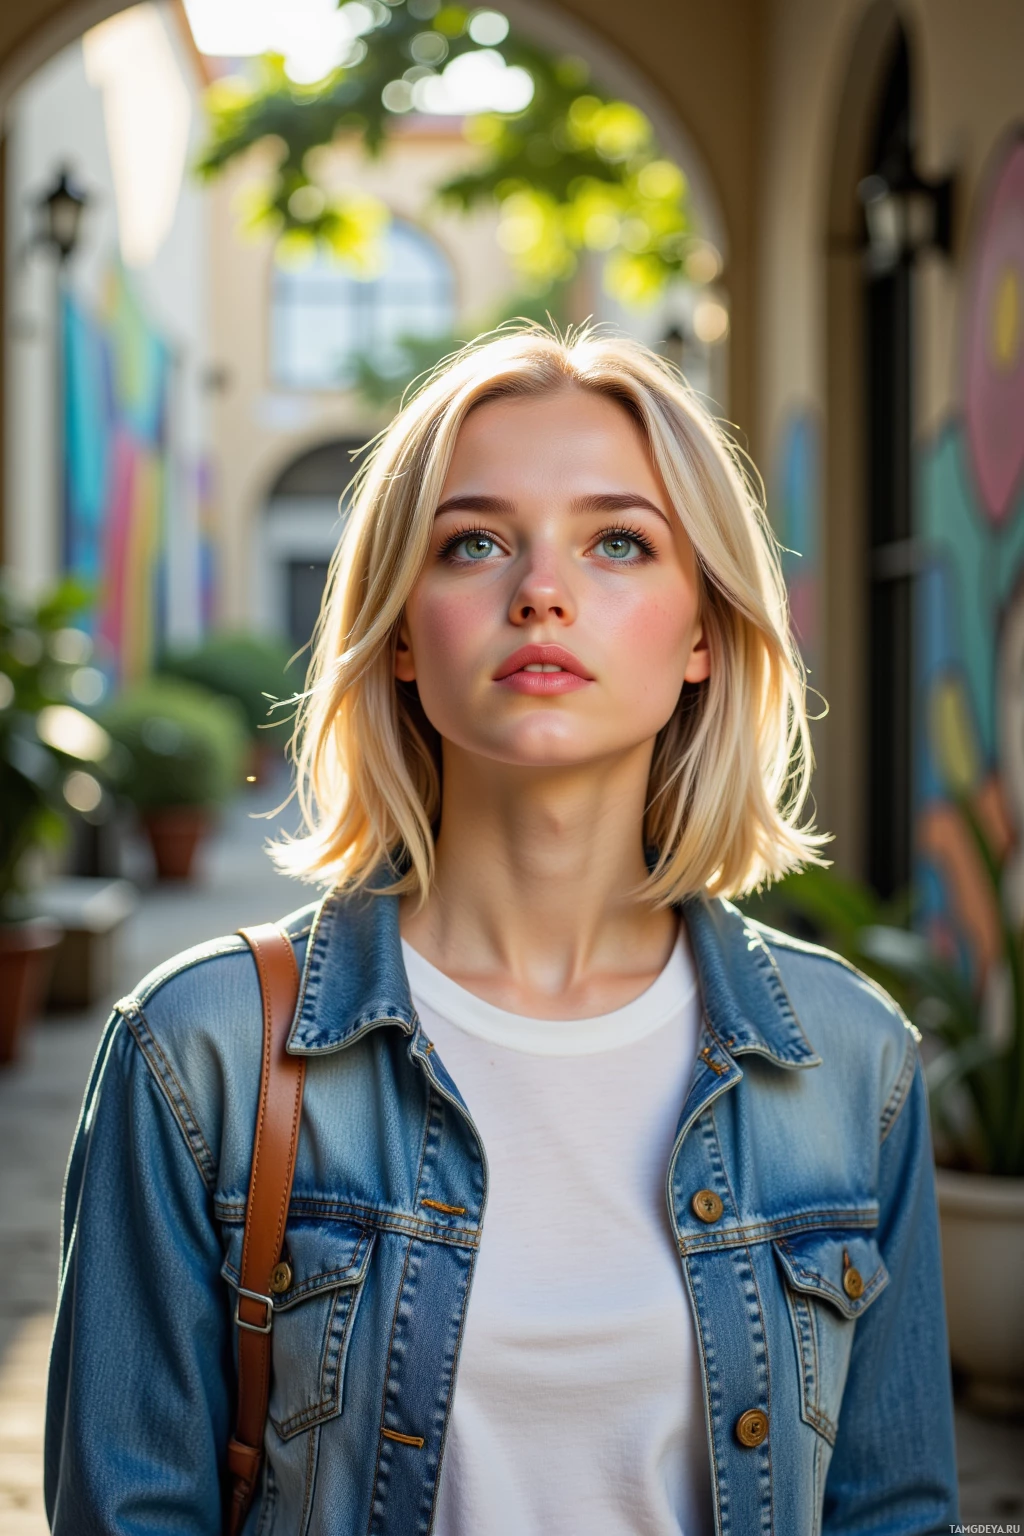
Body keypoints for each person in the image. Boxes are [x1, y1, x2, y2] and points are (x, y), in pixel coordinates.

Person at [45, 324, 959, 1535]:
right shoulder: (201, 1052)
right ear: (404, 631)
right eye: (474, 542)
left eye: (618, 542)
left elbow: (890, 1511)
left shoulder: (847, 1061)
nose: (540, 589)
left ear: (701, 633)